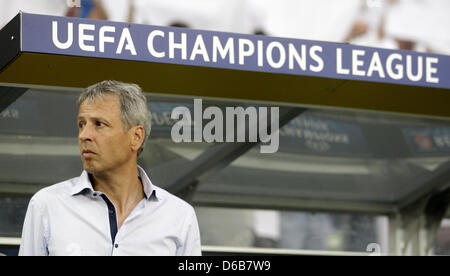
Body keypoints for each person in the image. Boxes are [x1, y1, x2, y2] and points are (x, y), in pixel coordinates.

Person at [19, 80, 201, 256]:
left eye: (99, 124)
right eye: (81, 124)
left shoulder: (180, 216)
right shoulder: (47, 205)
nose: (84, 135)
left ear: (136, 137)